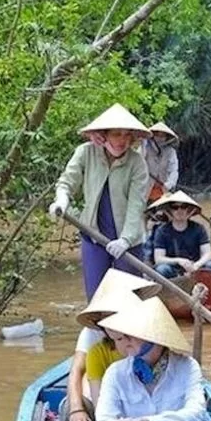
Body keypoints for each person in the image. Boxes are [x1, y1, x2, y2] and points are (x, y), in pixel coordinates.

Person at [94, 297, 205, 421]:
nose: (123, 343)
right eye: (119, 339)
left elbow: (195, 415)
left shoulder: (187, 366)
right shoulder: (115, 373)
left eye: (130, 335)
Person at [49, 104, 152, 301]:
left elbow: (136, 205)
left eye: (126, 135)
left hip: (127, 241)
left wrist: (125, 240)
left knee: (129, 299)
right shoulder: (85, 153)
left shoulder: (137, 163)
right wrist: (62, 199)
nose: (122, 140)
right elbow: (67, 182)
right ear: (103, 135)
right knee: (96, 298)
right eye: (116, 134)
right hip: (94, 236)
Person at [63, 269, 160, 421]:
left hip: (146, 404)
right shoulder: (96, 345)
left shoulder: (150, 334)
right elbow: (77, 371)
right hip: (104, 402)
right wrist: (76, 409)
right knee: (74, 416)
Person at [148, 191, 211, 280]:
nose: (179, 210)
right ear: (170, 210)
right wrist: (179, 261)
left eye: (183, 207)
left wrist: (196, 266)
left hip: (197, 266)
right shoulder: (162, 231)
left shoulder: (198, 228)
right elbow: (159, 258)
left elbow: (207, 254)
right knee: (162, 269)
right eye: (175, 207)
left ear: (188, 210)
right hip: (174, 268)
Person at [143, 122, 179, 203]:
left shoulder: (170, 152)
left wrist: (169, 184)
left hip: (163, 190)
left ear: (166, 137)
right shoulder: (145, 147)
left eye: (162, 136)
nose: (159, 138)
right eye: (157, 135)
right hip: (145, 189)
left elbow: (174, 170)